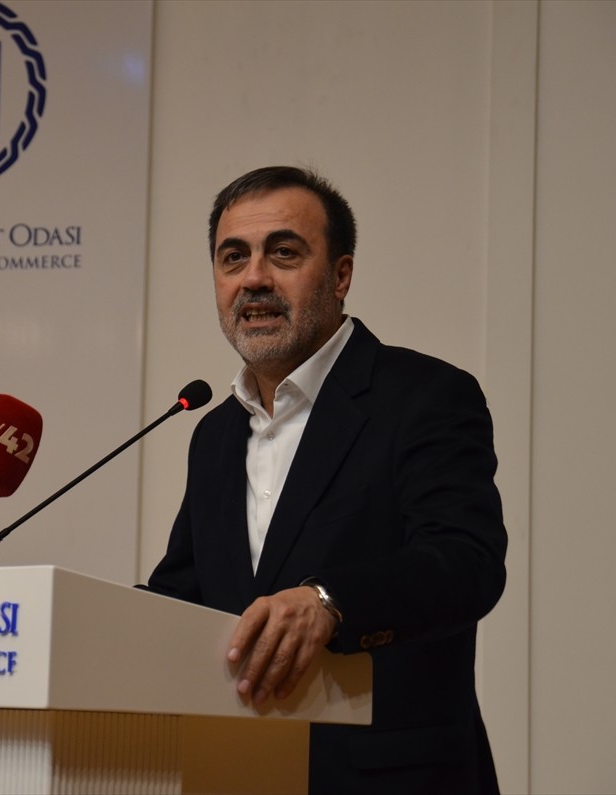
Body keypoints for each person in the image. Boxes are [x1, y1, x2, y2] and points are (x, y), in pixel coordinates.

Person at [145, 165, 507, 793]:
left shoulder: (424, 396)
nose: (254, 278)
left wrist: (328, 603)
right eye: (233, 258)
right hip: (237, 772)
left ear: (341, 276)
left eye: (283, 253)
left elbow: (465, 563)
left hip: (390, 779)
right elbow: (183, 598)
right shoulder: (215, 435)